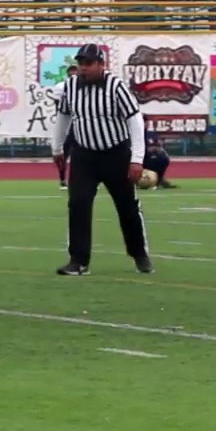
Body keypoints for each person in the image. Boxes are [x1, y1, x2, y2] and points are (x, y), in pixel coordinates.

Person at [51, 43, 152, 276]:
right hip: (84, 154)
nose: (83, 69)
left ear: (101, 65)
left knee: (127, 206)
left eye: (88, 64)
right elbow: (64, 116)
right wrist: (57, 148)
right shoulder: (70, 87)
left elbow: (135, 121)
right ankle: (78, 260)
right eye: (80, 64)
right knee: (78, 204)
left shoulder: (116, 87)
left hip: (115, 153)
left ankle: (139, 254)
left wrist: (136, 159)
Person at [51, 65, 79, 189]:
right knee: (63, 153)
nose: (73, 75)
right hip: (67, 126)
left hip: (80, 126)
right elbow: (60, 109)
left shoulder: (84, 87)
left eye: (75, 73)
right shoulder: (61, 87)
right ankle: (62, 179)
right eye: (71, 73)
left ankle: (88, 179)